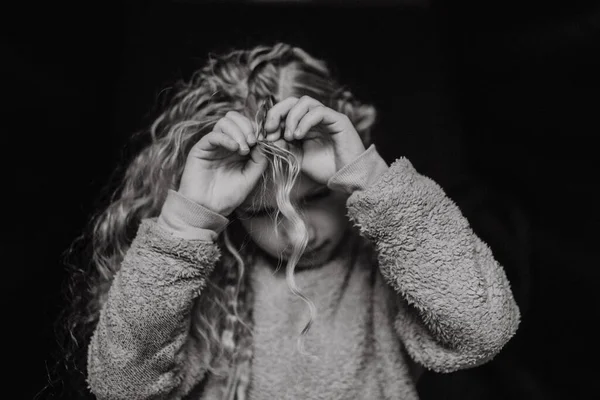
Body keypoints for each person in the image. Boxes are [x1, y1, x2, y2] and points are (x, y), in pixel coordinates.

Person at [72, 42, 520, 400]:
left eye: (319, 195)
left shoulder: (390, 258)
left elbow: (482, 329)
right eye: (263, 211)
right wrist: (188, 223)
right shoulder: (210, 274)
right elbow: (120, 387)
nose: (299, 233)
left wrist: (372, 179)